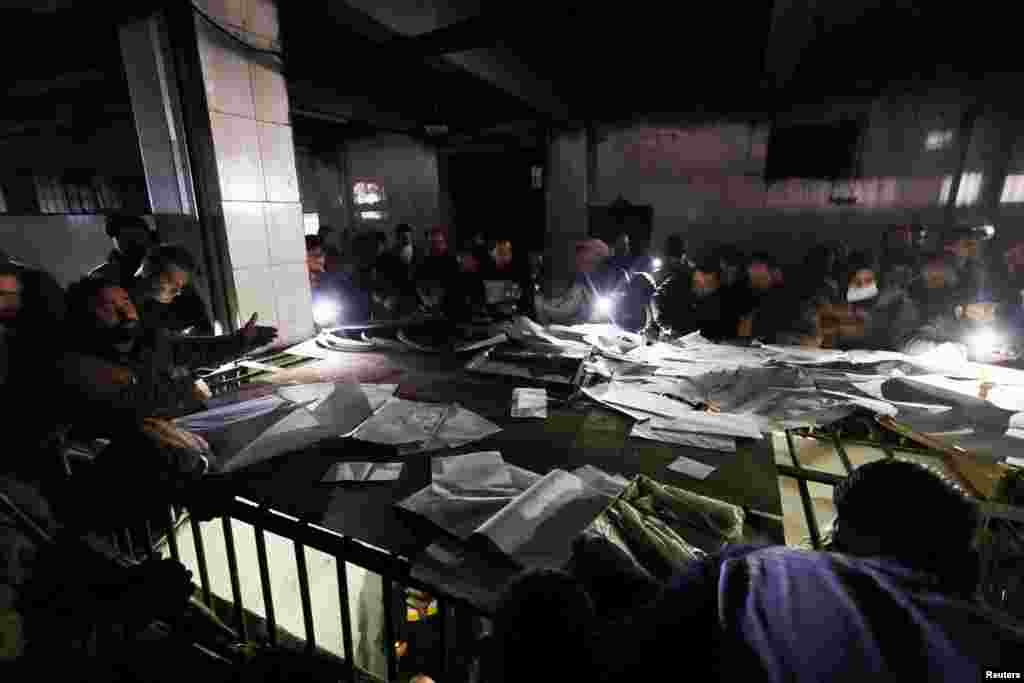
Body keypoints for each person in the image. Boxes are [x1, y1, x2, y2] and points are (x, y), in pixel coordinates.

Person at [552, 460, 1022, 682]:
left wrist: (607, 571)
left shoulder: (776, 576)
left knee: (543, 597)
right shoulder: (996, 647)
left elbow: (646, 641)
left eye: (842, 531)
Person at [56, 276, 277, 431]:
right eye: (108, 306)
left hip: (195, 417)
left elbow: (201, 350)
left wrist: (242, 340)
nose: (125, 311)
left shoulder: (153, 340)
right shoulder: (84, 367)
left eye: (125, 301)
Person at [820, 251, 919, 350]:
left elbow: (899, 340)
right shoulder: (838, 303)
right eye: (857, 282)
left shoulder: (900, 304)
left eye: (868, 280)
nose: (863, 286)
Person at [534, 239, 627, 325]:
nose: (584, 267)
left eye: (590, 263)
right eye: (581, 262)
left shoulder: (614, 275)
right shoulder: (575, 276)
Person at [652, 252, 740, 341]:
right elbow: (656, 299)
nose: (700, 288)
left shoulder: (725, 296)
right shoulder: (678, 282)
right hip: (676, 336)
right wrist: (665, 325)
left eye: (708, 284)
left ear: (717, 283)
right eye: (697, 283)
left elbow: (728, 330)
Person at [132, 244, 214, 336]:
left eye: (182, 285)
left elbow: (206, 332)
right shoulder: (123, 300)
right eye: (171, 281)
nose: (178, 292)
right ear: (148, 272)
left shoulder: (189, 301)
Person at [305, 235, 370, 327]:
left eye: (322, 255)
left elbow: (358, 302)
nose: (321, 259)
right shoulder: (297, 285)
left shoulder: (337, 279)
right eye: (316, 255)